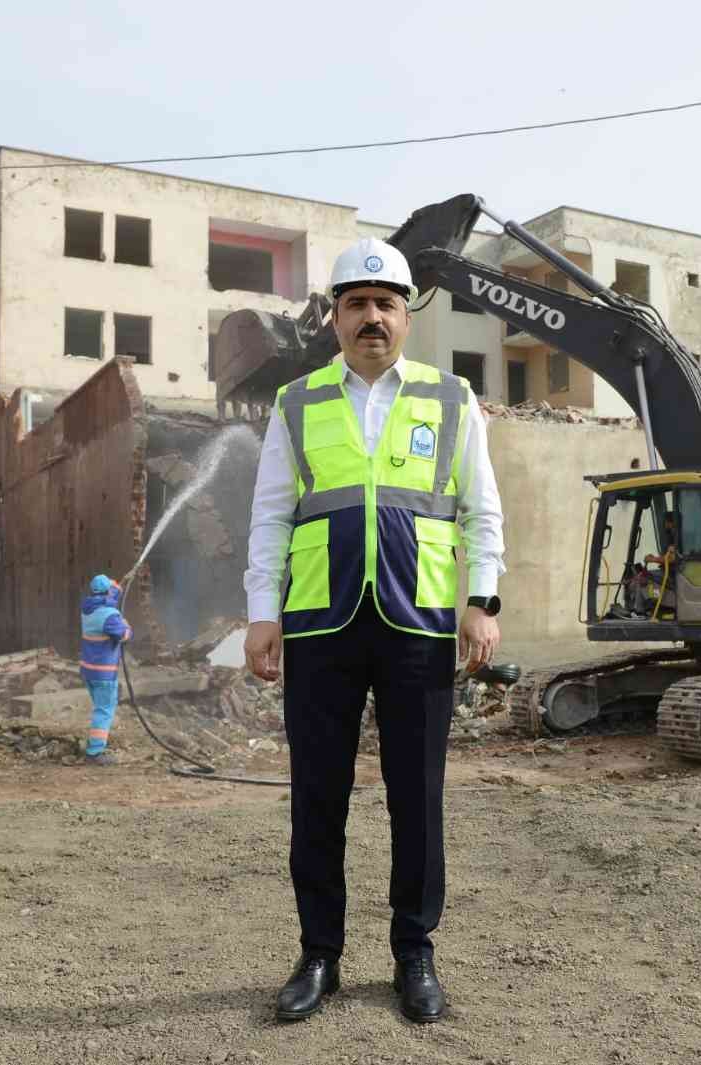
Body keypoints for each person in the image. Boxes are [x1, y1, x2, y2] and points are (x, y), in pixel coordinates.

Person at [243, 236, 506, 1025]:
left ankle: (414, 953)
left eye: (385, 304)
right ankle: (318, 952)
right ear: (334, 318)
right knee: (317, 796)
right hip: (321, 623)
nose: (371, 318)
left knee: (416, 798)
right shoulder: (298, 403)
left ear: (406, 317)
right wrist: (264, 611)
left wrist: (481, 601)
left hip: (419, 622)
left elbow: (480, 509)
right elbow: (269, 514)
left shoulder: (452, 399)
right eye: (356, 304)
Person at [78, 574, 131, 766]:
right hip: (104, 673)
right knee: (104, 710)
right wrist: (127, 626)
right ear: (108, 592)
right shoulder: (110, 615)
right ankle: (94, 753)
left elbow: (108, 601)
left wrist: (114, 588)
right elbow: (123, 635)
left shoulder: (88, 610)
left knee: (100, 708)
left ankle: (95, 746)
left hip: (89, 671)